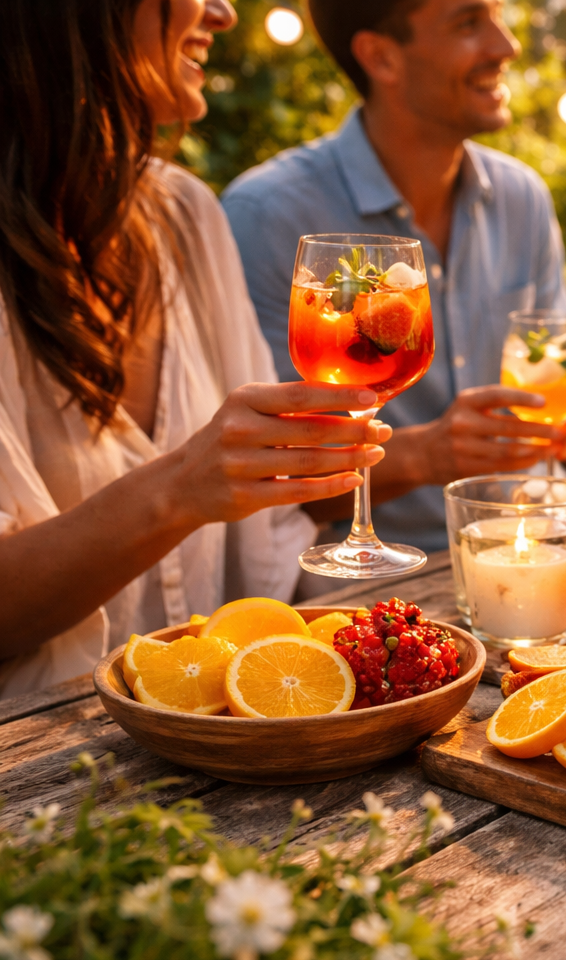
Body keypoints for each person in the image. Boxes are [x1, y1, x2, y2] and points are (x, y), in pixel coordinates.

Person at [0, 0, 386, 696]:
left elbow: (269, 545)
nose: (224, 12)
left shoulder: (185, 214)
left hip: (219, 740)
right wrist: (179, 489)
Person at [222, 0, 566, 557]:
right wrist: (427, 455)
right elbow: (262, 477)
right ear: (381, 57)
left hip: (529, 554)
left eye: (498, 17)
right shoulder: (268, 213)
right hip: (368, 586)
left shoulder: (523, 197)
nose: (506, 47)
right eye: (468, 23)